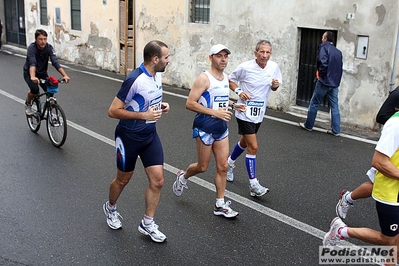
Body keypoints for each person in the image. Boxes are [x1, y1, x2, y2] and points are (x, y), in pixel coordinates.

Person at [103, 40, 170, 243]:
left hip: (149, 136)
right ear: (155, 59)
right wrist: (144, 116)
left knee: (158, 181)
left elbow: (146, 103)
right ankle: (111, 207)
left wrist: (161, 106)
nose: (169, 61)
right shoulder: (135, 79)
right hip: (128, 138)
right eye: (166, 57)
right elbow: (113, 111)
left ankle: (147, 223)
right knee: (123, 179)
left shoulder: (156, 76)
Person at [172, 44, 245, 218]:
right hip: (204, 127)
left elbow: (218, 99)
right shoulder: (203, 79)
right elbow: (190, 103)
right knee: (202, 166)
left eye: (226, 56)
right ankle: (183, 177)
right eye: (219, 56)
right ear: (211, 57)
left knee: (223, 166)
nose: (223, 59)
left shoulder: (225, 78)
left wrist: (234, 105)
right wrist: (215, 113)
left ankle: (219, 204)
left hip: (221, 128)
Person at [323, 111, 399, 264]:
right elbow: (379, 162)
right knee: (389, 240)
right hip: (390, 193)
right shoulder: (396, 125)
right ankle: (340, 231)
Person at [225, 40, 282, 197]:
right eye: (261, 52)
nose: (264, 55)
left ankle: (229, 164)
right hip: (244, 111)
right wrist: (239, 92)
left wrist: (275, 85)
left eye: (267, 52)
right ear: (255, 53)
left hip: (259, 112)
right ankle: (253, 184)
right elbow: (230, 80)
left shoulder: (274, 67)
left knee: (245, 142)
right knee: (254, 147)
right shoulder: (245, 67)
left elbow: (274, 87)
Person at [336, 86, 399, 219]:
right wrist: (394, 130)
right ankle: (347, 199)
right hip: (391, 148)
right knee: (377, 185)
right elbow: (381, 116)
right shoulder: (398, 94)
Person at [299, 31, 343, 136]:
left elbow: (323, 63)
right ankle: (336, 130)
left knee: (315, 102)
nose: (322, 38)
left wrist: (320, 75)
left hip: (324, 81)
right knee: (334, 106)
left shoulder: (324, 48)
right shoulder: (338, 51)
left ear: (325, 39)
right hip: (334, 83)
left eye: (323, 36)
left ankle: (309, 125)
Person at [23, 29, 70, 115]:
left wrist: (65, 75)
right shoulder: (32, 48)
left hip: (42, 73)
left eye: (45, 39)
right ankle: (28, 103)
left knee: (51, 91)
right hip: (30, 73)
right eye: (40, 39)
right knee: (35, 89)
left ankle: (51, 114)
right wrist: (33, 76)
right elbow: (32, 63)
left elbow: (55, 62)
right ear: (36, 39)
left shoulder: (49, 48)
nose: (43, 41)